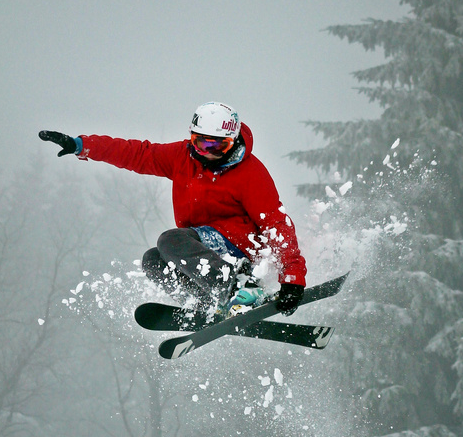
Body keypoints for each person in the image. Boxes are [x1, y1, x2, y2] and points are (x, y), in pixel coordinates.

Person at [39, 102, 306, 316]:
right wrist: (82, 145)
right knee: (154, 260)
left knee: (171, 239)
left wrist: (292, 277)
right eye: (201, 143)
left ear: (232, 141)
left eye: (218, 145)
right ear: (192, 140)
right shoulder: (183, 157)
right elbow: (138, 154)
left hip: (242, 249)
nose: (207, 152)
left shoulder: (250, 173)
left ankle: (241, 289)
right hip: (207, 249)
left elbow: (276, 223)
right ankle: (207, 306)